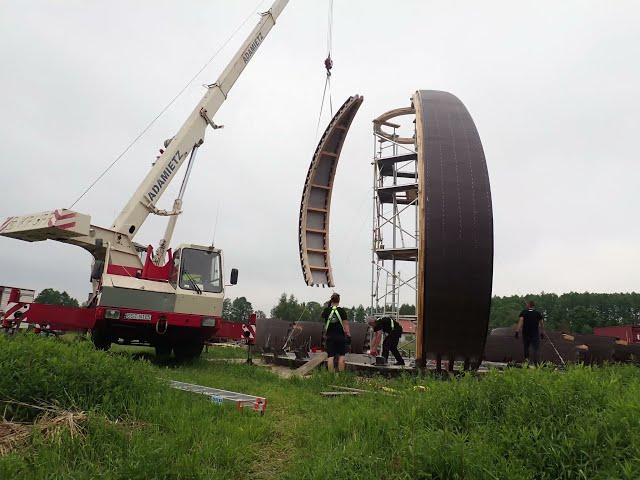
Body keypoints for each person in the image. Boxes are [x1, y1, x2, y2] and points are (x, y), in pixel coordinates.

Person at [321, 293, 350, 372]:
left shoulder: (326, 311)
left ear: (331, 300)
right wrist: (348, 334)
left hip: (330, 337)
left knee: (330, 356)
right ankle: (341, 375)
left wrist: (328, 306)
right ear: (339, 300)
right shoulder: (342, 311)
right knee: (341, 356)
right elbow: (346, 324)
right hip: (340, 337)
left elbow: (322, 315)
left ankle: (331, 375)